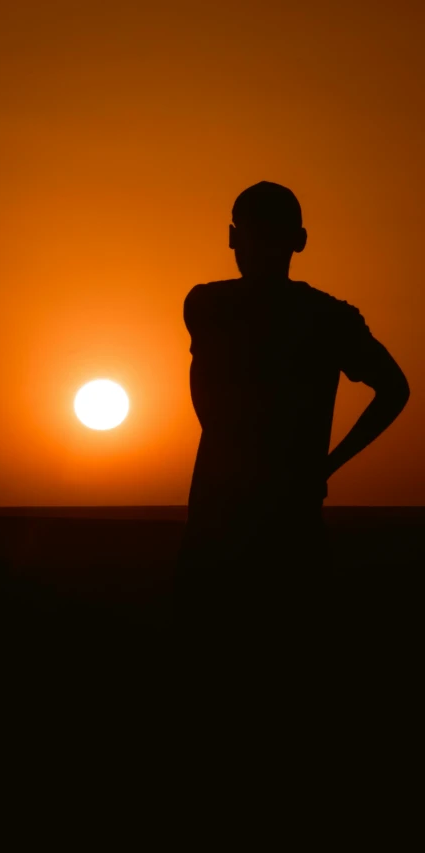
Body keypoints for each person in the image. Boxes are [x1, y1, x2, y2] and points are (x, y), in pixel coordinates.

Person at [174, 180, 410, 665]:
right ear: (300, 240)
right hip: (278, 519)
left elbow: (206, 387)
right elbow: (395, 389)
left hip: (228, 519)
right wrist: (326, 466)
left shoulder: (206, 306)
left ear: (231, 238)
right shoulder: (327, 318)